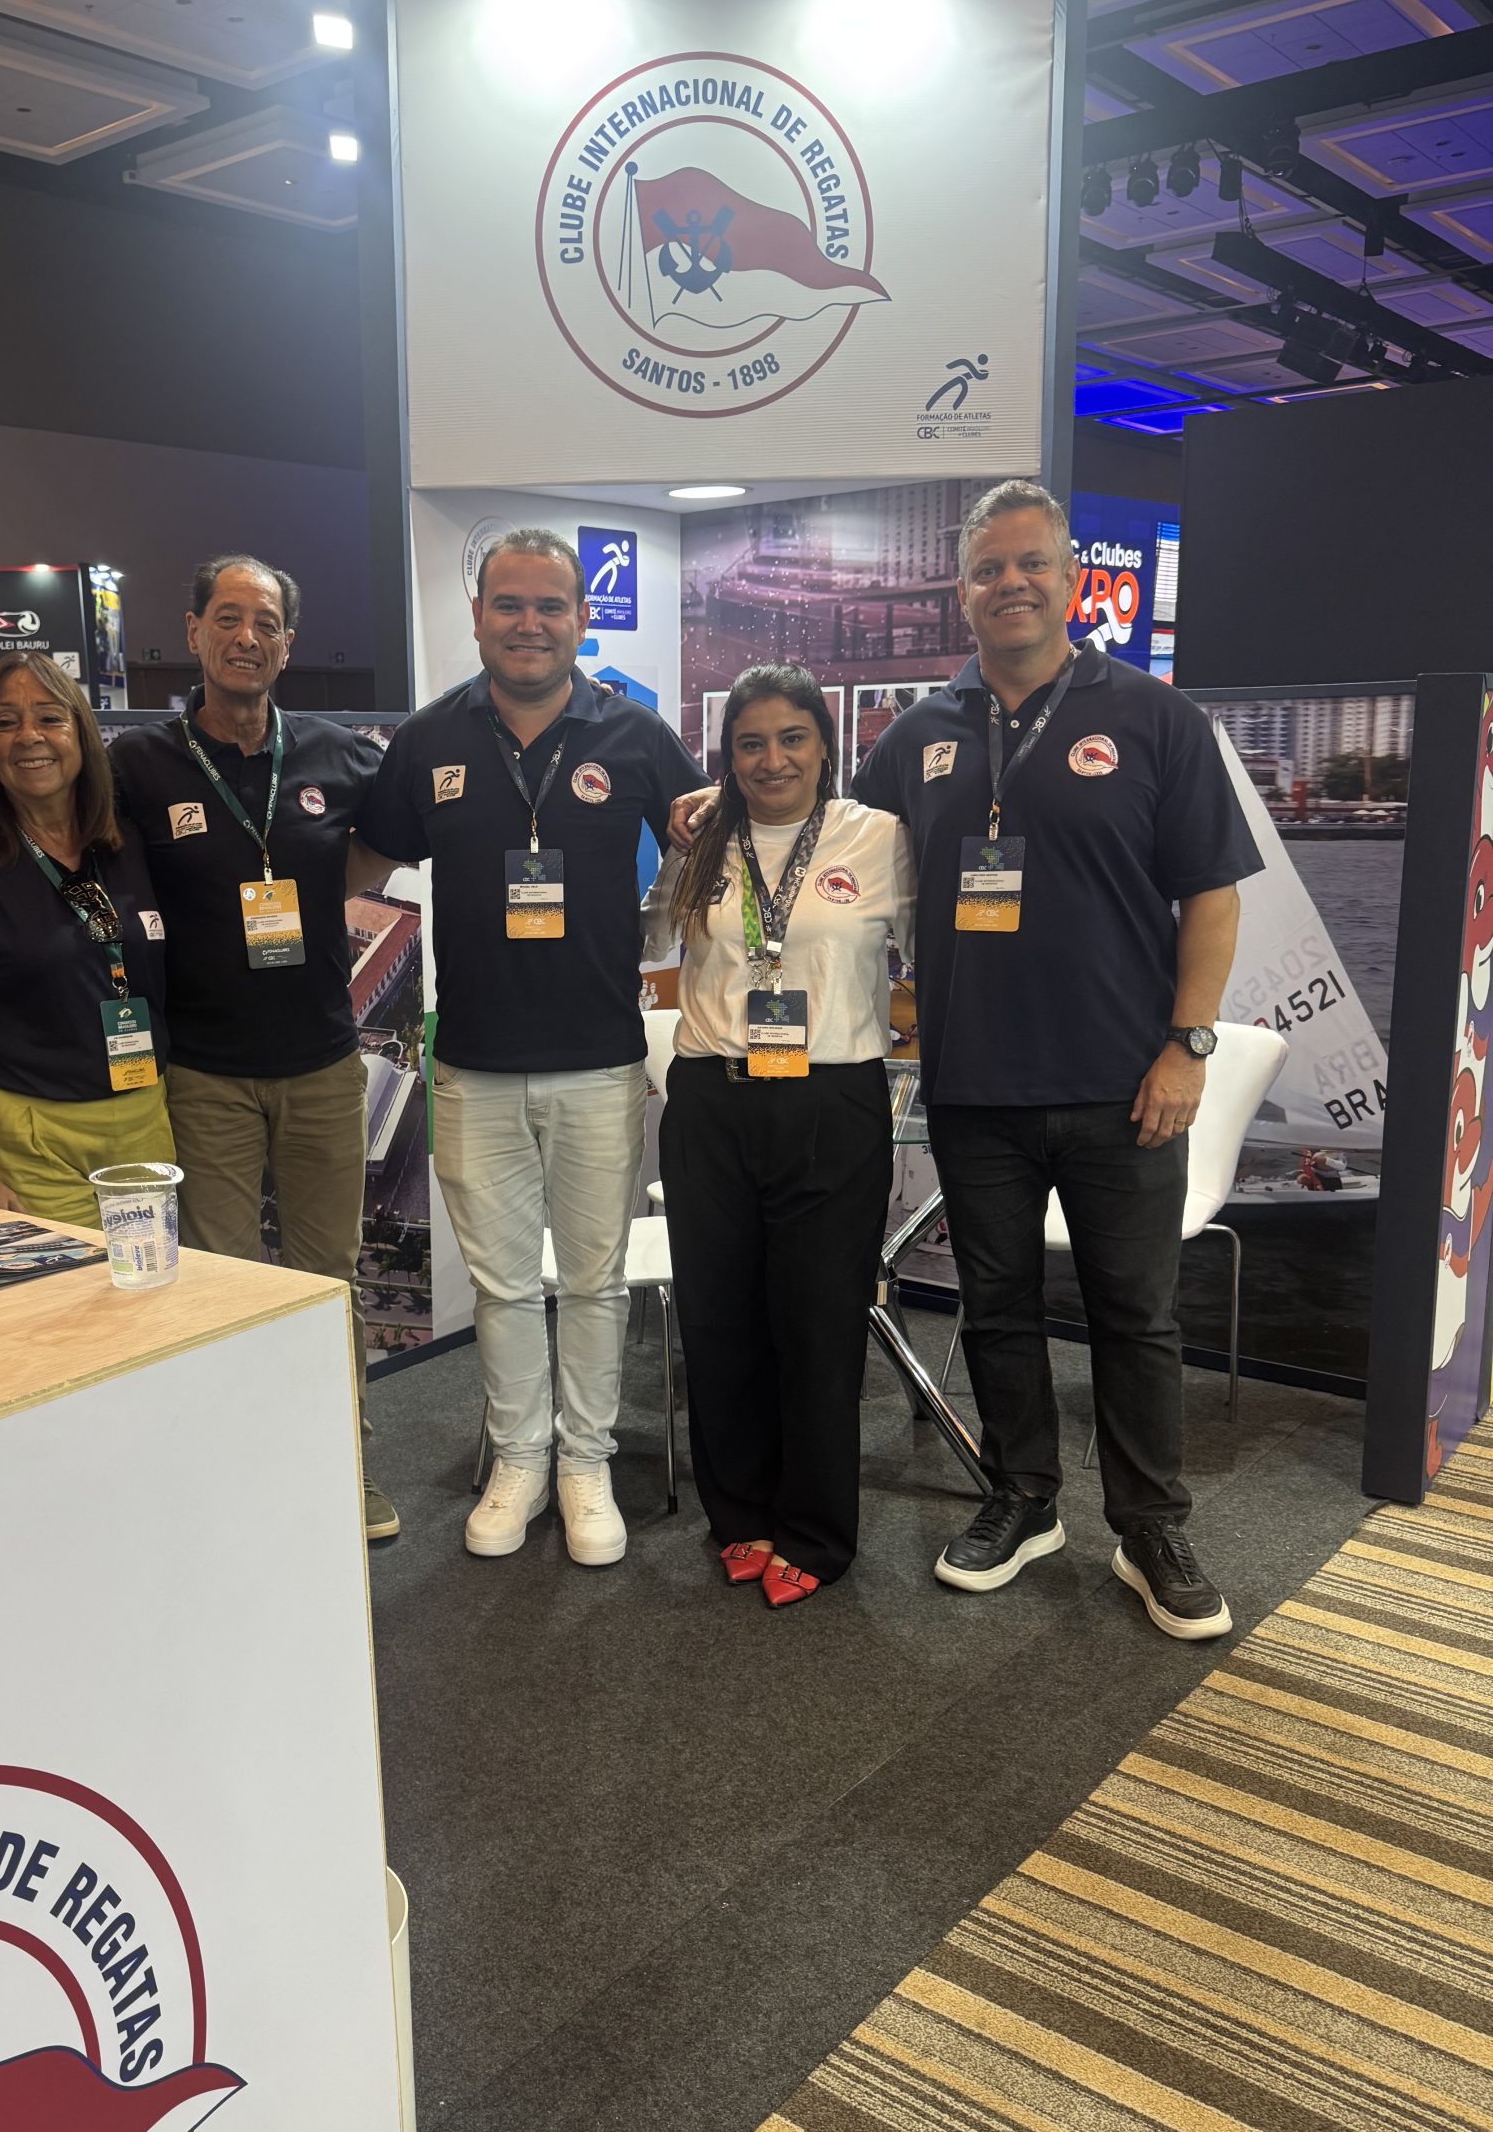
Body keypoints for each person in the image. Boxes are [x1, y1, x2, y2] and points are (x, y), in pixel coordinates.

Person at [851, 478, 1261, 1639]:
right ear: (962, 592)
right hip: (975, 1085)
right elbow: (835, 864)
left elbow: (1212, 898)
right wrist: (713, 814)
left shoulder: (1154, 718)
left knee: (1135, 1315)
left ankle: (1150, 1526)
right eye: (989, 568)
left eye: (1032, 563)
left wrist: (1187, 1045)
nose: (1011, 584)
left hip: (1125, 1084)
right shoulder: (917, 736)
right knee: (996, 1306)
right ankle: (1023, 1497)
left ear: (1074, 579)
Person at [357, 527, 705, 1567]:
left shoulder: (635, 734)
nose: (528, 623)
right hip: (472, 1061)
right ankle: (519, 1458)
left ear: (581, 619)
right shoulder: (429, 738)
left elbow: (713, 843)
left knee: (594, 1282)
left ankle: (585, 1462)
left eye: (550, 605)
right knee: (504, 1285)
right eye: (508, 603)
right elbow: (363, 860)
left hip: (600, 1060)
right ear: (477, 617)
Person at [106, 555, 402, 1543]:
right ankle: (240, 1474)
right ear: (192, 631)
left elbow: (385, 841)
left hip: (321, 1062)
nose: (246, 637)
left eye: (265, 622)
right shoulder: (140, 764)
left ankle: (339, 1462)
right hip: (204, 1072)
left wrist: (314, 890)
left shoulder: (337, 754)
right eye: (227, 618)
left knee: (326, 1280)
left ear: (288, 643)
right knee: (224, 1279)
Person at [645, 667, 914, 1607]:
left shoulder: (878, 837)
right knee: (720, 1319)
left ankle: (815, 1529)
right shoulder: (702, 837)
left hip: (831, 1100)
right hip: (711, 1098)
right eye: (750, 743)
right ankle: (739, 1513)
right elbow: (654, 944)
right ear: (727, 755)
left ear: (825, 745)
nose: (772, 760)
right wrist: (678, 834)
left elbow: (932, 958)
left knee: (817, 1323)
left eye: (792, 738)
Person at [0, 654, 173, 1226]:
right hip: (29, 1138)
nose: (28, 736)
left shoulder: (128, 844)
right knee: (69, 1285)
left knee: (149, 1282)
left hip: (141, 1117)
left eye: (49, 717)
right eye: (5, 721)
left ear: (81, 735)